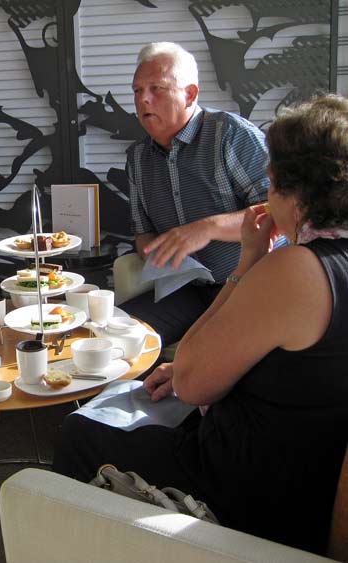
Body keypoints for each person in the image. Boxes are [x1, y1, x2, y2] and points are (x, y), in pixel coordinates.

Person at [54, 94, 348, 555]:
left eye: (271, 182)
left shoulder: (296, 269)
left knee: (79, 436)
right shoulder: (329, 263)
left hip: (251, 492)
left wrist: (248, 260)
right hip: (312, 474)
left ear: (294, 191)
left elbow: (191, 382)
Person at [121, 42, 270, 346]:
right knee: (118, 338)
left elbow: (277, 212)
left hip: (248, 286)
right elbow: (141, 231)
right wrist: (152, 250)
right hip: (183, 290)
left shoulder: (230, 135)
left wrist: (206, 228)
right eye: (137, 91)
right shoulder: (137, 157)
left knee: (219, 357)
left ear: (190, 94)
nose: (143, 100)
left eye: (156, 88)